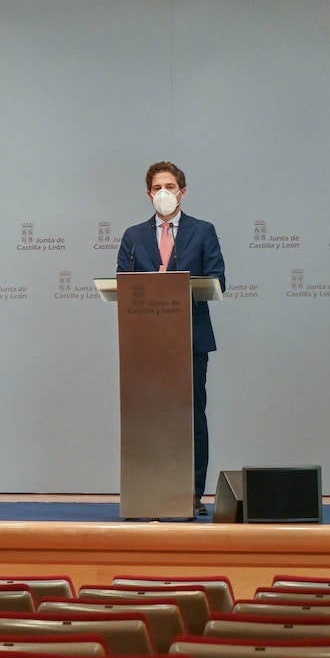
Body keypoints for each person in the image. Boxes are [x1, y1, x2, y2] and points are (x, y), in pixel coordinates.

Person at [117, 161, 226, 516]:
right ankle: (149, 491)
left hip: (189, 340)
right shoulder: (134, 236)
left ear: (182, 191)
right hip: (146, 343)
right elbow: (122, 284)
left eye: (170, 186)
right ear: (148, 194)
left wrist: (179, 284)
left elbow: (218, 280)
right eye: (157, 188)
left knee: (192, 417)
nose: (164, 193)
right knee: (148, 418)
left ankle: (191, 494)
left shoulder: (203, 230)